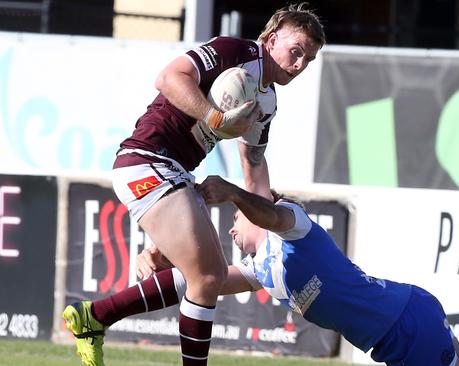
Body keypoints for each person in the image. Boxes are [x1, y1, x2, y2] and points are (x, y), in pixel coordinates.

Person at [61, 3, 325, 366]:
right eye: (296, 52)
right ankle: (99, 319)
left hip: (175, 172)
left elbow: (253, 163)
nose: (298, 65)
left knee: (203, 276)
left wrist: (265, 216)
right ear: (272, 37)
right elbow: (169, 78)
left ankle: (95, 316)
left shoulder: (267, 100)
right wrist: (215, 117)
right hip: (147, 159)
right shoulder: (234, 51)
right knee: (209, 275)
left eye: (307, 60)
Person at [133, 176, 459, 366]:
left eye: (237, 217)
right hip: (405, 320)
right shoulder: (265, 269)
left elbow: (268, 213)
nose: (232, 224)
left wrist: (238, 194)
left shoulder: (297, 229)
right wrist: (161, 258)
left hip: (402, 323)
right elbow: (206, 282)